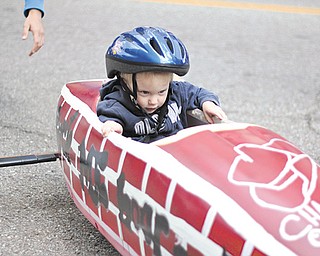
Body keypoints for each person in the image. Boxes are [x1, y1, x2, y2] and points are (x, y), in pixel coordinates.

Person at [97, 26, 227, 143]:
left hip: (178, 153)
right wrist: (114, 126)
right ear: (125, 85)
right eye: (145, 92)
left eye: (161, 92)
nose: (153, 101)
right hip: (143, 160)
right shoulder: (117, 104)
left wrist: (208, 103)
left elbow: (198, 93)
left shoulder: (176, 92)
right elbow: (110, 117)